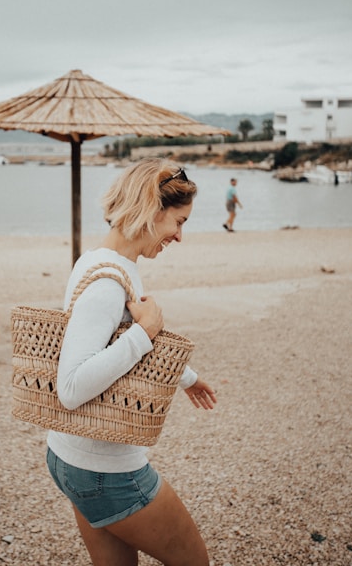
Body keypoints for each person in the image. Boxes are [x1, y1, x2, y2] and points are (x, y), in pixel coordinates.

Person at [46, 158, 217, 566]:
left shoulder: (99, 262)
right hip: (106, 469)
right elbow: (69, 387)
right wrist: (146, 333)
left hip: (71, 455)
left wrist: (186, 377)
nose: (179, 236)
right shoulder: (108, 284)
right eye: (179, 221)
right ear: (150, 210)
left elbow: (111, 341)